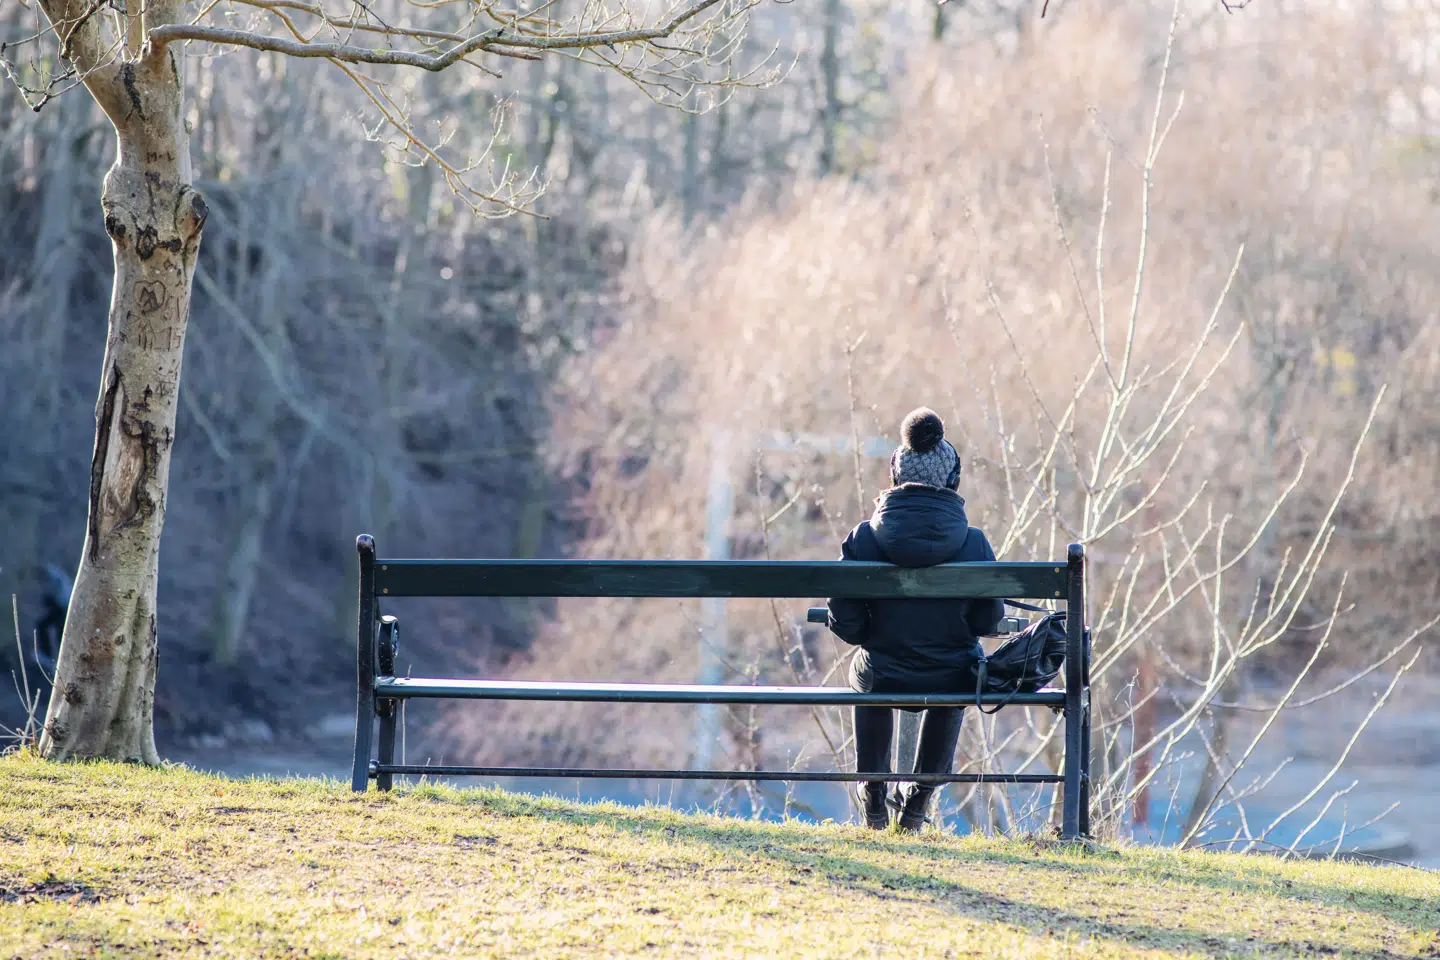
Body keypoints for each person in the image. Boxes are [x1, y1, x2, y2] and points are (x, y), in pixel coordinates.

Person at [826, 408, 1002, 832]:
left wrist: (872, 634)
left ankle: (872, 788)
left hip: (885, 670)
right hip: (948, 674)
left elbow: (845, 620)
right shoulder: (974, 542)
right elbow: (988, 621)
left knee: (865, 668)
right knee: (961, 670)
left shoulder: (865, 537)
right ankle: (920, 797)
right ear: (951, 481)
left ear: (896, 477)